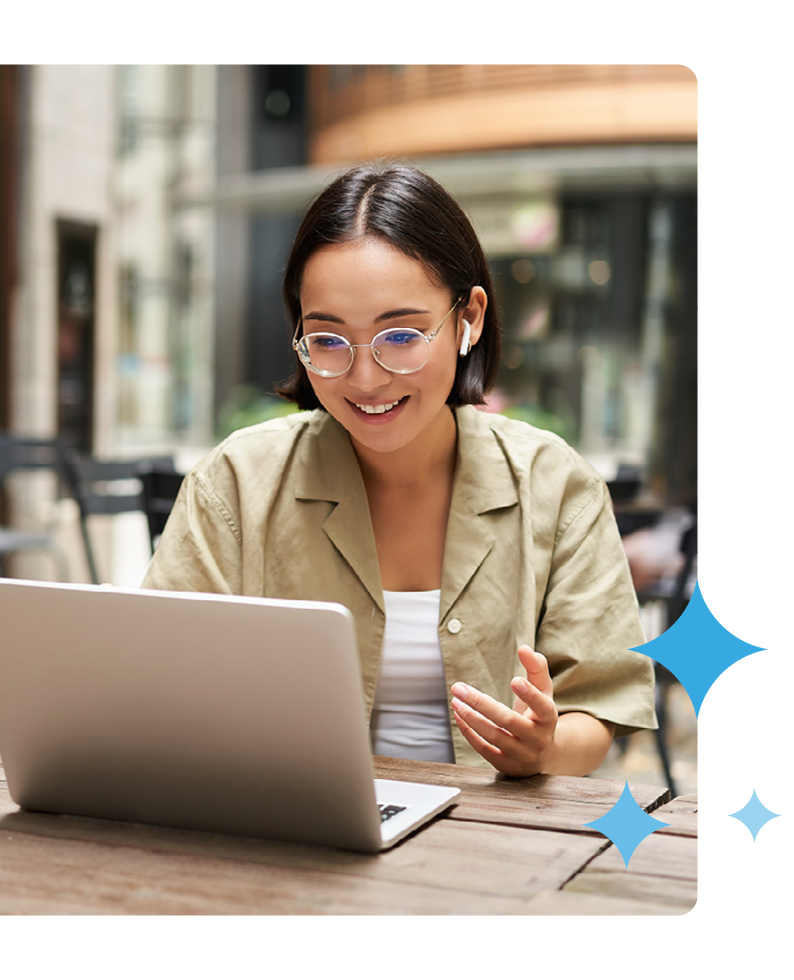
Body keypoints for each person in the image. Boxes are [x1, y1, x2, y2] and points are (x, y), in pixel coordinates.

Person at [142, 163, 656, 777]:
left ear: (469, 319)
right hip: (290, 835)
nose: (365, 378)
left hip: (487, 849)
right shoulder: (235, 485)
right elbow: (158, 689)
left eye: (401, 336)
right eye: (329, 341)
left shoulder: (558, 486)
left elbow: (595, 709)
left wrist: (542, 748)